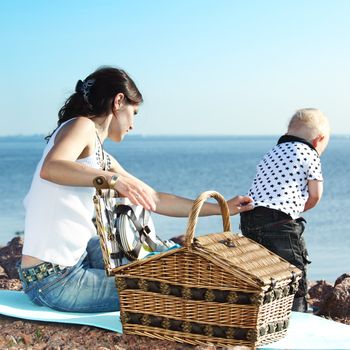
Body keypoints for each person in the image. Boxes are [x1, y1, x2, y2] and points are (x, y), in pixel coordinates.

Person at [18, 66, 254, 313]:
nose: (133, 124)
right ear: (119, 101)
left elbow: (154, 198)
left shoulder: (101, 157)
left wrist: (221, 208)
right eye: (135, 112)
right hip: (54, 281)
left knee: (158, 257)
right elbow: (52, 167)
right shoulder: (81, 126)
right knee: (163, 288)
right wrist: (113, 181)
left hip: (78, 259)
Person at [240, 108, 330, 312]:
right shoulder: (310, 154)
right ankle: (297, 317)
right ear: (318, 140)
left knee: (263, 271)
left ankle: (265, 316)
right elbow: (315, 195)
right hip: (280, 222)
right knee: (294, 274)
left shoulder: (271, 152)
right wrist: (295, 210)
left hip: (250, 218)